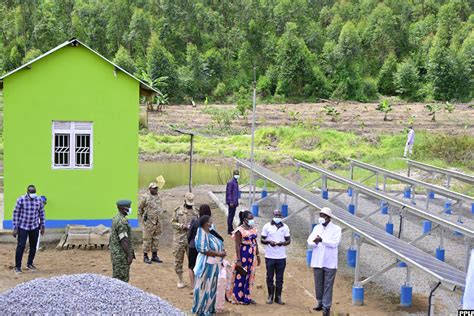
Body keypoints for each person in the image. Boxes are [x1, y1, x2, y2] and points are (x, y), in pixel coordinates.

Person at [307, 207, 341, 316]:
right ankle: (320, 302)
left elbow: (334, 243)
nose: (321, 217)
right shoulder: (317, 227)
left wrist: (322, 240)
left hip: (330, 262)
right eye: (320, 215)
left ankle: (326, 307)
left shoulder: (336, 229)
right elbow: (309, 241)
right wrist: (315, 242)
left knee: (328, 285)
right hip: (317, 260)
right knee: (318, 283)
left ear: (328, 217)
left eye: (323, 215)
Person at [192, 215, 226, 315]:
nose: (212, 222)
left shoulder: (211, 233)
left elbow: (219, 242)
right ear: (207, 223)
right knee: (202, 287)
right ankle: (200, 310)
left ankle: (208, 309)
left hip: (215, 266)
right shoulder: (201, 233)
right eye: (211, 221)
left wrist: (222, 251)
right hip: (206, 266)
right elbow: (203, 249)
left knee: (211, 288)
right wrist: (219, 254)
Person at [227, 210, 261, 305]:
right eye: (250, 219)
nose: (252, 220)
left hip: (251, 256)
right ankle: (237, 297)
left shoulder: (253, 229)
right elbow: (237, 245)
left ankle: (247, 296)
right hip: (243, 255)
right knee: (240, 276)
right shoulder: (239, 230)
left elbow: (255, 242)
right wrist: (238, 260)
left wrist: (257, 255)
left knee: (250, 276)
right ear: (245, 219)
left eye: (252, 218)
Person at [188, 204, 224, 287]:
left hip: (193, 246)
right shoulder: (210, 224)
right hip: (205, 248)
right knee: (202, 265)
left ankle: (193, 286)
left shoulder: (194, 221)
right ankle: (201, 284)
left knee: (191, 266)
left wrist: (190, 243)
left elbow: (189, 235)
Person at [12, 185, 45, 274]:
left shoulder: (39, 200)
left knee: (33, 246)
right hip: (23, 226)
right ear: (27, 192)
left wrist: (42, 226)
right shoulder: (21, 200)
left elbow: (42, 213)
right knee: (21, 246)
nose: (33, 194)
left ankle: (29, 264)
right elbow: (15, 214)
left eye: (34, 192)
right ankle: (17, 267)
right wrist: (15, 227)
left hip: (34, 226)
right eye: (31, 192)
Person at [261, 209, 291, 305]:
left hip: (281, 257)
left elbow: (288, 241)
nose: (277, 217)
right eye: (276, 215)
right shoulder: (267, 226)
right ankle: (270, 296)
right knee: (269, 276)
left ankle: (278, 297)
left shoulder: (285, 227)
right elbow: (262, 239)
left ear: (281, 216)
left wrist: (282, 243)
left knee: (280, 278)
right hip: (269, 256)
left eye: (279, 216)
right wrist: (269, 242)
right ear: (272, 215)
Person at [172, 192, 199, 289]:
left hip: (191, 240)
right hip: (179, 239)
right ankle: (180, 279)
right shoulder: (178, 211)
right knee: (178, 260)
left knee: (193, 261)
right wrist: (181, 226)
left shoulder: (196, 212)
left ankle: (194, 281)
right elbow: (173, 222)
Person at [110, 200, 135, 282]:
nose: (130, 209)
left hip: (115, 253)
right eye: (129, 207)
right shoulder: (122, 222)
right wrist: (129, 255)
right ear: (124, 209)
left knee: (117, 275)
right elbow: (124, 240)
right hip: (121, 255)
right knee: (121, 279)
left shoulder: (116, 218)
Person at [138, 182, 164, 264]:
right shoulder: (145, 197)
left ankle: (154, 256)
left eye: (156, 188)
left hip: (158, 222)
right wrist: (143, 218)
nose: (155, 189)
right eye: (153, 188)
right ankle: (145, 256)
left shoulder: (159, 197)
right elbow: (140, 208)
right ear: (150, 189)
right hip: (148, 223)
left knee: (156, 239)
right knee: (147, 239)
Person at [226, 170, 240, 235]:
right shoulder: (231, 182)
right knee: (230, 216)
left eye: (238, 174)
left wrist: (236, 202)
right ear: (233, 174)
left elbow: (235, 194)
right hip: (231, 203)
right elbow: (229, 193)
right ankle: (229, 230)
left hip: (234, 202)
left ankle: (231, 228)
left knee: (232, 215)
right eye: (236, 174)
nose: (237, 175)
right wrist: (231, 201)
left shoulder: (236, 182)